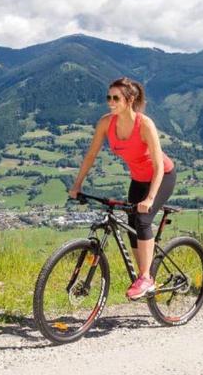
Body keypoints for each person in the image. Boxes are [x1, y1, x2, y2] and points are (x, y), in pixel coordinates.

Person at [68, 77, 176, 300]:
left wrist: (150, 198)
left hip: (162, 177)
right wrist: (77, 184)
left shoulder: (144, 124)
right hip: (138, 180)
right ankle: (144, 276)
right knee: (131, 224)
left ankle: (145, 278)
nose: (110, 102)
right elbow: (91, 155)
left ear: (130, 99)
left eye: (116, 98)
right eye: (108, 97)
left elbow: (158, 166)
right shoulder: (106, 123)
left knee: (143, 220)